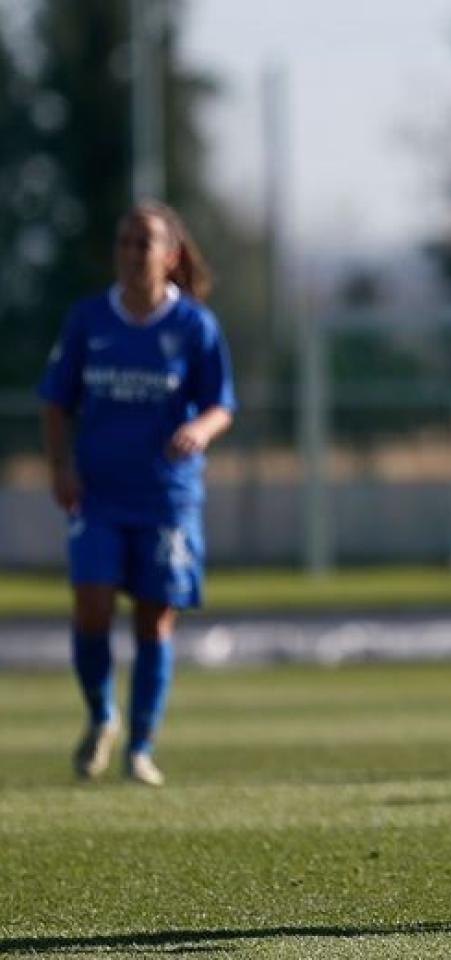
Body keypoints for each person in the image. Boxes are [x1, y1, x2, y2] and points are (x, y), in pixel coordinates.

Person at [37, 200, 236, 787]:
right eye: (124, 242)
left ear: (169, 255)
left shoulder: (194, 326)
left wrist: (199, 428)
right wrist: (59, 467)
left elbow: (222, 404)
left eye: (143, 243)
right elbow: (55, 400)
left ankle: (141, 747)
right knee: (91, 603)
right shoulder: (89, 320)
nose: (130, 253)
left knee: (153, 620)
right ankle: (102, 716)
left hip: (165, 496)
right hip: (98, 492)